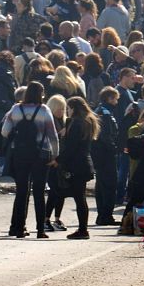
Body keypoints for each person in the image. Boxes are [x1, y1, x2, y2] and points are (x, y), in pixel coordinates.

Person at [1, 81, 59, 239]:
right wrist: (55, 155)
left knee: (22, 191)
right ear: (41, 94)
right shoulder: (44, 110)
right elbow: (53, 135)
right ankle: (40, 229)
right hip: (41, 154)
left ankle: (18, 228)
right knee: (39, 193)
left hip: (20, 154)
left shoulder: (15, 109)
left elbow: (4, 132)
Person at [57, 95, 98, 239]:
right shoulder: (87, 122)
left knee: (79, 198)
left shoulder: (76, 124)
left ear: (73, 108)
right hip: (84, 163)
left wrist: (58, 160)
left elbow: (71, 147)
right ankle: (82, 229)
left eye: (68, 108)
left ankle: (82, 229)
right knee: (80, 198)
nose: (67, 111)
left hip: (76, 165)